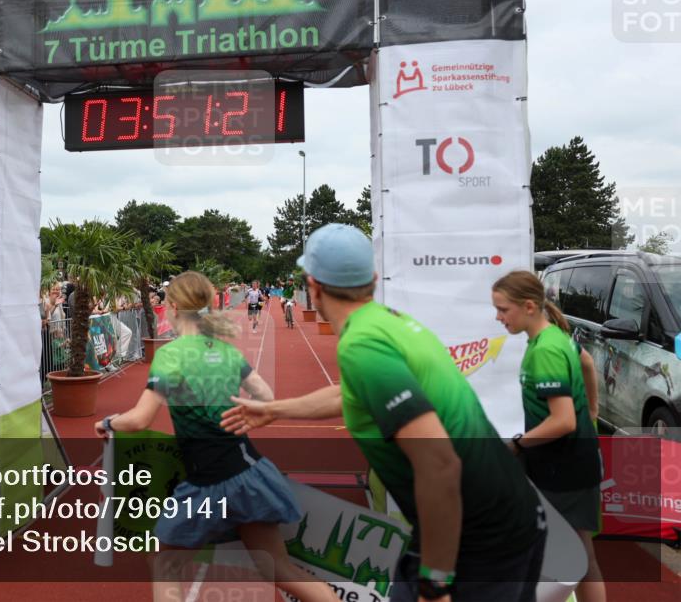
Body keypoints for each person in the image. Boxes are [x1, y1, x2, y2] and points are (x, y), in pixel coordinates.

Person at [222, 224, 547, 602]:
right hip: (508, 519)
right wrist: (274, 410)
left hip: (478, 542)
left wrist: (435, 583)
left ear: (313, 286)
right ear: (373, 280)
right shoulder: (391, 323)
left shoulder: (362, 345)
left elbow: (439, 463)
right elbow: (353, 395)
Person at [95, 272, 336, 602]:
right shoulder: (227, 352)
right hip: (250, 472)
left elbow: (139, 419)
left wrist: (109, 422)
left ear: (174, 307)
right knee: (279, 569)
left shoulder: (171, 354)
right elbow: (266, 398)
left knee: (164, 563)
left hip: (208, 480)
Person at [492, 271, 605, 602]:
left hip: (565, 469)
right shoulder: (554, 337)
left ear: (529, 306)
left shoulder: (546, 349)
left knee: (573, 558)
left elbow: (563, 421)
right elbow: (586, 362)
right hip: (565, 463)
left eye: (503, 309)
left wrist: (516, 444)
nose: (498, 317)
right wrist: (593, 409)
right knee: (578, 556)